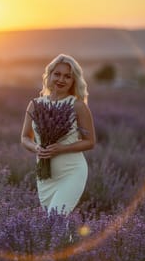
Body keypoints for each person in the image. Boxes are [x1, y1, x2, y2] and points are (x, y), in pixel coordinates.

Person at [21, 54, 96, 215]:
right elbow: (25, 138)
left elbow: (90, 142)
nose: (61, 79)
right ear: (49, 75)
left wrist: (62, 148)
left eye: (67, 76)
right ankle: (73, 241)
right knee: (57, 227)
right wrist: (36, 148)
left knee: (54, 218)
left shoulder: (78, 106)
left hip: (72, 172)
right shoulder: (35, 104)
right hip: (45, 176)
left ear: (73, 80)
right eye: (57, 74)